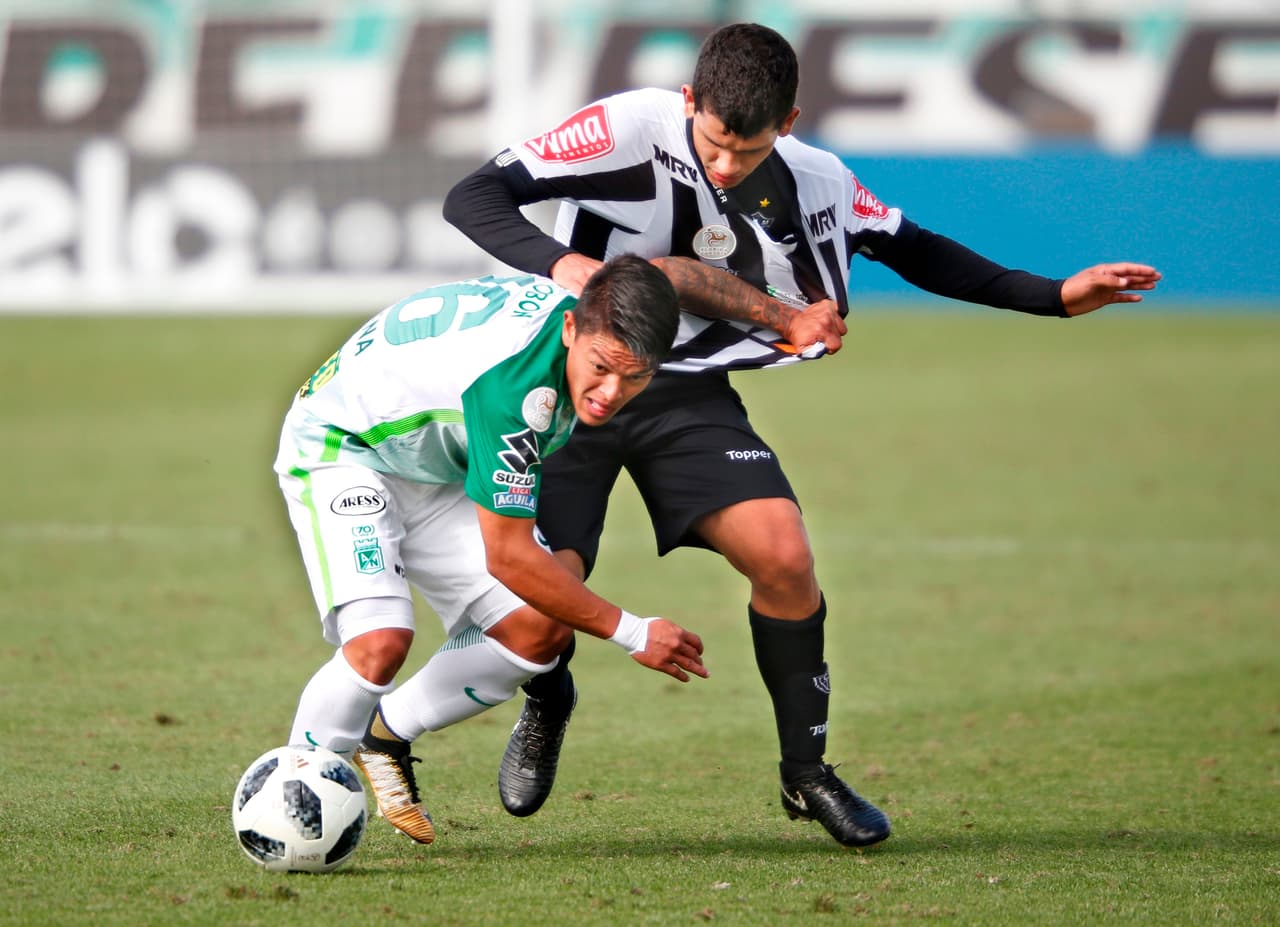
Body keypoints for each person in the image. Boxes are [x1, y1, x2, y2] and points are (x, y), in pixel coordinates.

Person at [440, 22, 1161, 848]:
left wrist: (1055, 293)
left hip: (685, 391)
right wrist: (563, 265)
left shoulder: (816, 177)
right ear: (688, 103)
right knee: (542, 617)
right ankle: (547, 695)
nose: (723, 168)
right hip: (576, 379)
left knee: (784, 555)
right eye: (711, 144)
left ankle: (807, 772)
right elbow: (474, 197)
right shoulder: (621, 129)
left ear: (787, 123)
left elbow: (913, 249)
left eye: (744, 153)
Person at [277, 252, 816, 845]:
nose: (610, 394)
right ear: (570, 331)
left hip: (433, 458)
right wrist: (634, 632)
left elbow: (675, 276)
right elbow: (507, 556)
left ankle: (386, 735)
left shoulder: (590, 307)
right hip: (343, 449)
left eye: (635, 377)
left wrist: (784, 316)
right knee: (380, 643)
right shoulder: (517, 388)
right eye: (602, 367)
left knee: (540, 631)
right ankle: (292, 800)